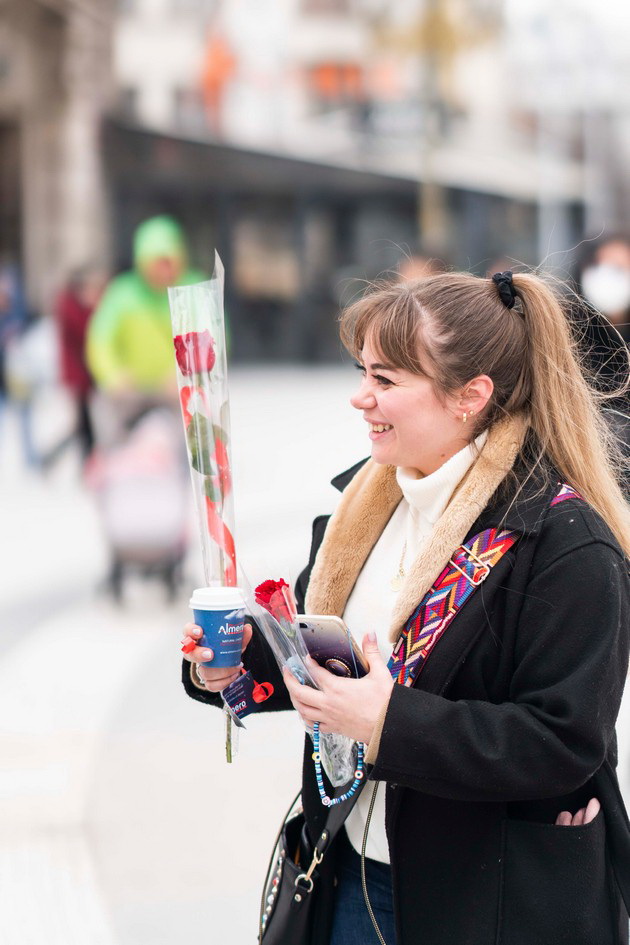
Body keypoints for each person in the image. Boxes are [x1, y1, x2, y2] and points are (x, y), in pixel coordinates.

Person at [181, 270, 630, 944]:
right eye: (363, 372)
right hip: (345, 870)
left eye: (385, 380)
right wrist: (231, 667)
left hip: (485, 900)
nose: (361, 397)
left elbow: (563, 741)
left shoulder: (567, 543)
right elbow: (317, 654)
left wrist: (389, 723)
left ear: (469, 396)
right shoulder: (365, 508)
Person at [86, 215, 205, 444]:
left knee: (184, 447)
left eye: (168, 261)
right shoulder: (122, 293)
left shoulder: (193, 290)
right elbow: (100, 340)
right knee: (121, 445)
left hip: (178, 394)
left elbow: (212, 342)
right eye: (156, 262)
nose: (163, 270)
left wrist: (186, 374)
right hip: (130, 396)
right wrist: (113, 376)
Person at [50, 264, 107, 463]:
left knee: (86, 423)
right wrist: (94, 308)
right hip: (78, 376)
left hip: (87, 374)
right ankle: (62, 458)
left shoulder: (74, 304)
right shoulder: (70, 306)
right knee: (83, 424)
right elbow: (85, 333)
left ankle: (85, 460)